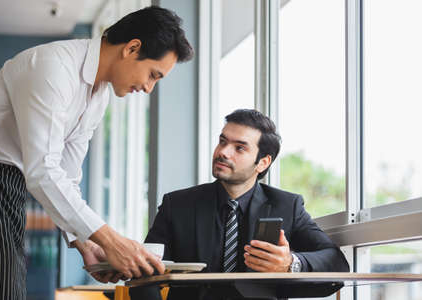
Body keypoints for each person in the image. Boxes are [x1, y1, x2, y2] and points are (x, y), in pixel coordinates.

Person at [0, 5, 193, 300]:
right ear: (132, 48)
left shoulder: (98, 93)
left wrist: (87, 244)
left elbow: (66, 175)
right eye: (153, 74)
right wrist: (113, 241)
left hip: (8, 185)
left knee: (8, 288)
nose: (149, 88)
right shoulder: (52, 67)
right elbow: (43, 171)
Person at [129, 109, 349, 300]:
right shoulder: (176, 205)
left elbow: (336, 262)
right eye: (222, 141)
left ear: (263, 163)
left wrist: (290, 263)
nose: (223, 152)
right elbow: (143, 275)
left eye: (240, 147)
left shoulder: (287, 205)